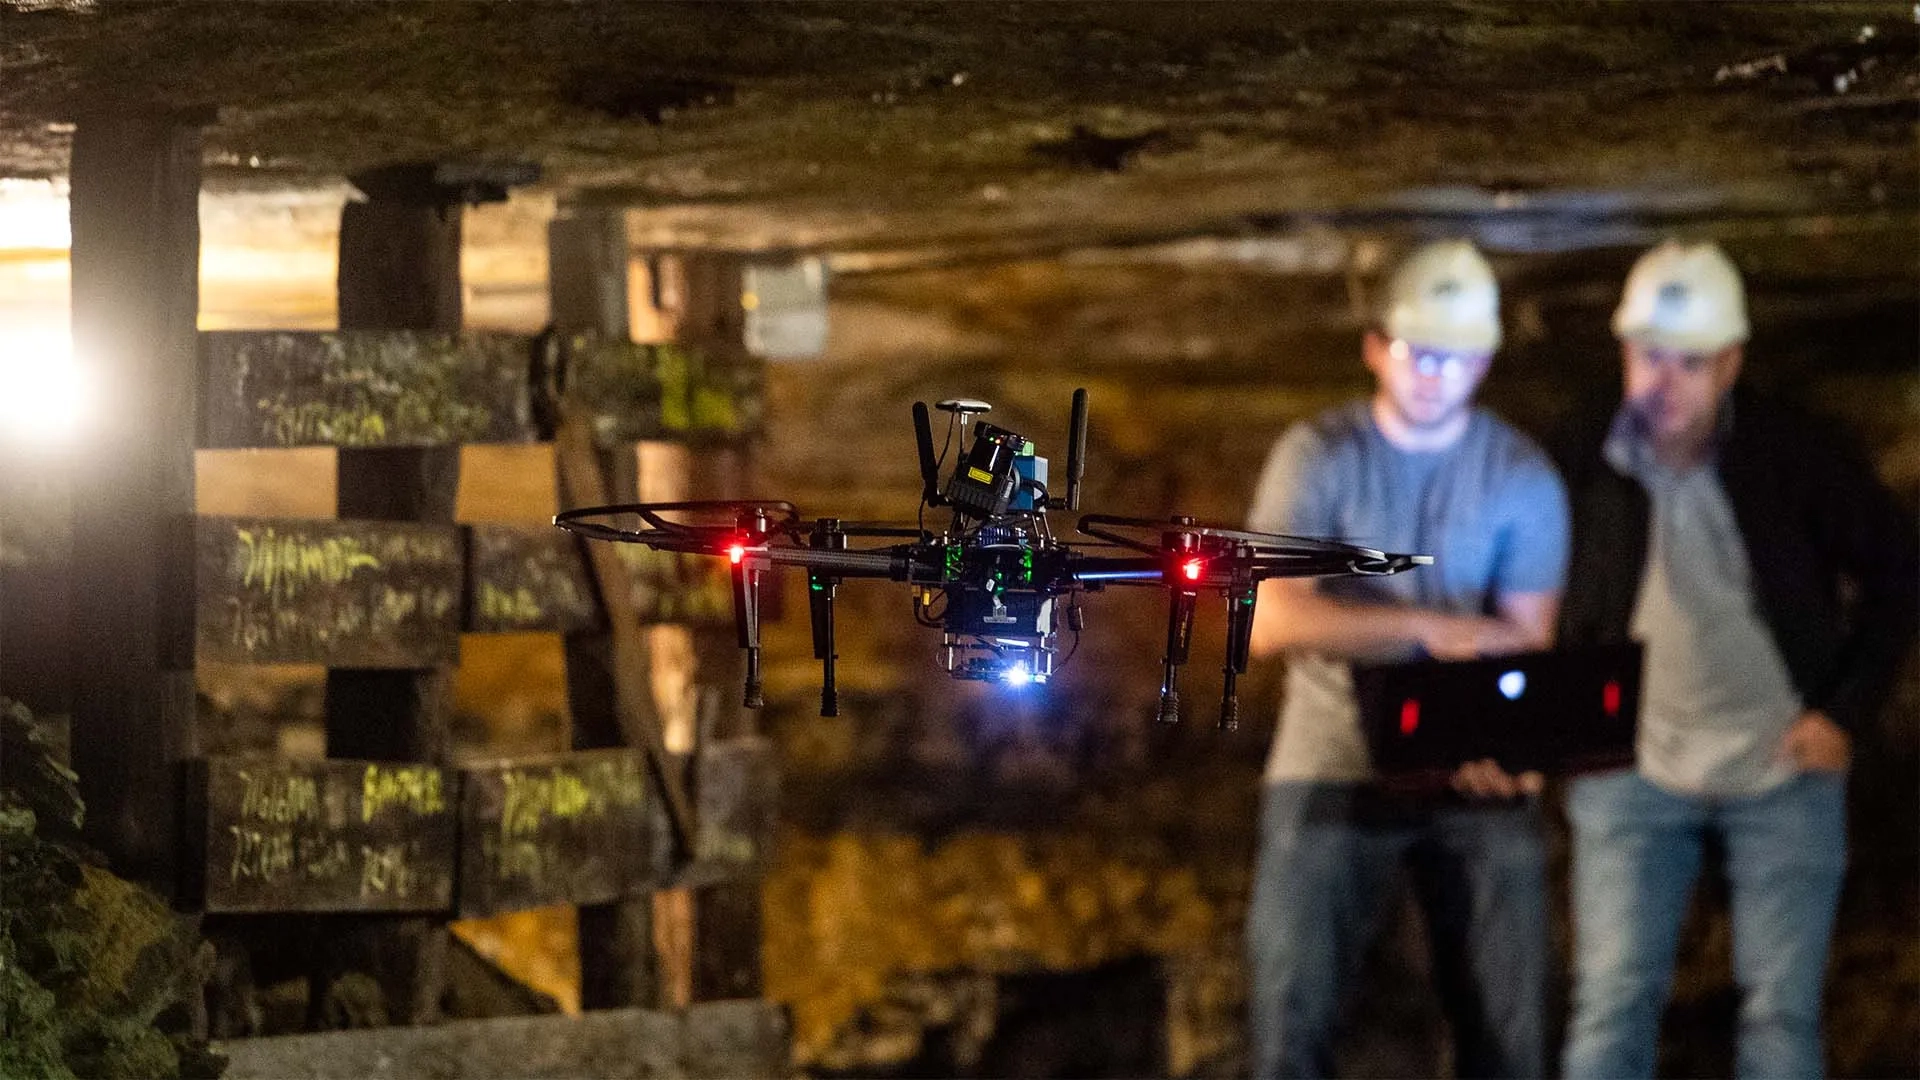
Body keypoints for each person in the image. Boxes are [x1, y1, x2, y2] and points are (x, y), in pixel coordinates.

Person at [1556, 240, 1918, 1080]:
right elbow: (1531, 587)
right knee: (1612, 1007)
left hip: (1780, 770)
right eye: (1650, 356)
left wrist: (1844, 711)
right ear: (1623, 354)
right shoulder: (1583, 457)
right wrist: (1564, 726)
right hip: (1634, 767)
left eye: (1689, 361)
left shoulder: (1794, 455)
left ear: (1730, 364)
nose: (1664, 381)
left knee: (1780, 1020)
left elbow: (1900, 573)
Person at [1244, 239, 1570, 1079]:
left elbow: (1526, 645)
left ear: (1486, 359)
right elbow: (1267, 616)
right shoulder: (1320, 455)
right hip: (1334, 761)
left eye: (1456, 357)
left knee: (1509, 1036)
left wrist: (1514, 747)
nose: (1435, 373)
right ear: (1376, 348)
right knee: (1291, 1025)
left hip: (1463, 766)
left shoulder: (1519, 476)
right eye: (1419, 351)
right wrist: (1436, 631)